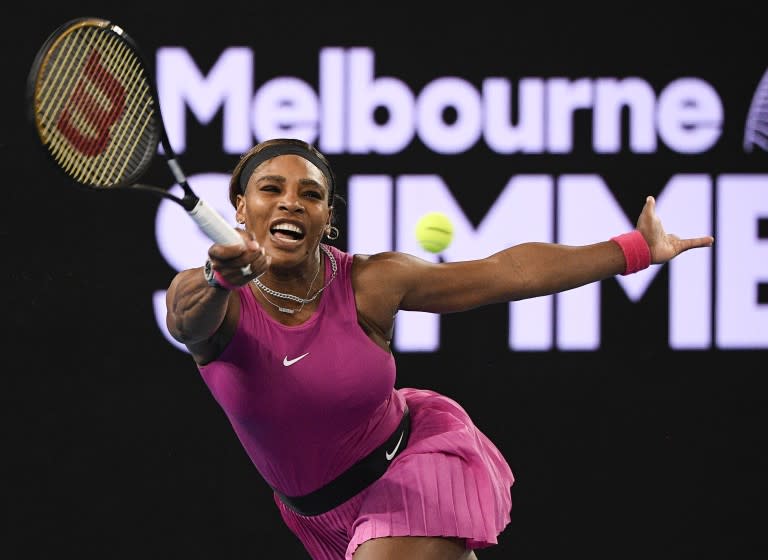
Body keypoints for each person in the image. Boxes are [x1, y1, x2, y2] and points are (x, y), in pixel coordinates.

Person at [165, 138, 714, 560]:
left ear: (327, 219)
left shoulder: (372, 281)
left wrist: (636, 248)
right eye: (271, 189)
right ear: (241, 207)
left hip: (411, 468)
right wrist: (218, 278)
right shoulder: (215, 298)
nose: (292, 202)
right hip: (316, 517)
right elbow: (186, 317)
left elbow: (507, 272)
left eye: (311, 194)